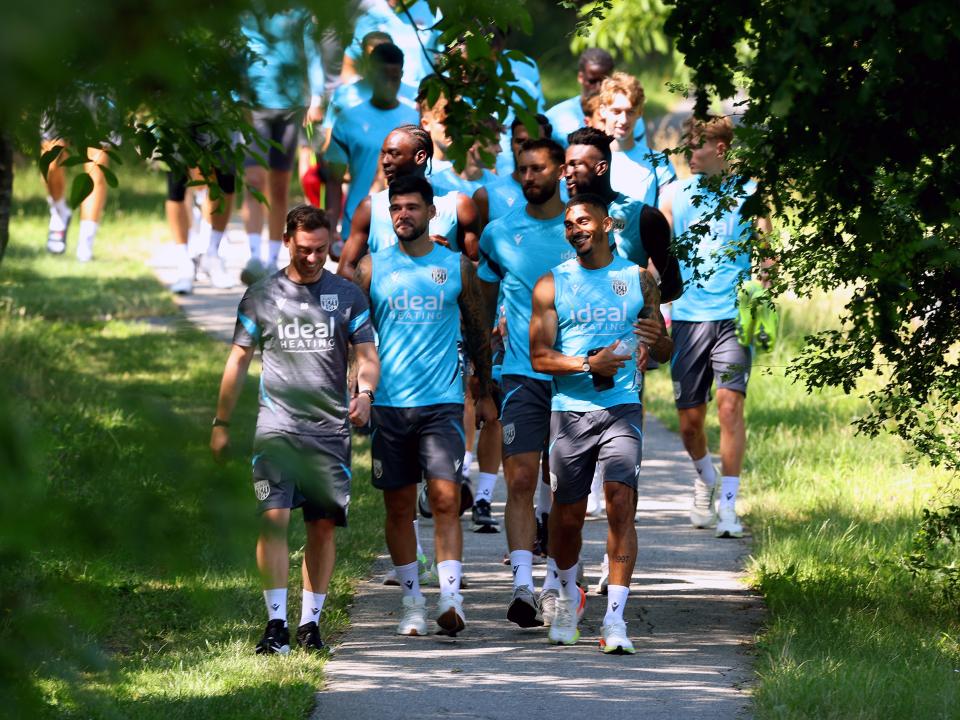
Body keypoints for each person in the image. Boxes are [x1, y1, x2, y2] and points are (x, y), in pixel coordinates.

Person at [210, 204, 380, 654]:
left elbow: (366, 356)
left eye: (322, 249)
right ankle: (275, 625)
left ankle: (310, 624)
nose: (313, 258)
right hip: (276, 429)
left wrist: (364, 396)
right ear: (287, 240)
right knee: (273, 521)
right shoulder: (261, 295)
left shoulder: (347, 296)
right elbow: (238, 359)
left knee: (322, 527)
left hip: (329, 432)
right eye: (305, 249)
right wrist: (221, 422)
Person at [352, 175, 496, 636]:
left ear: (432, 212)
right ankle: (412, 600)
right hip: (390, 405)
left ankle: (451, 599)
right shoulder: (371, 268)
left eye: (413, 207)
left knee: (445, 499)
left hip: (442, 402)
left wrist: (485, 389)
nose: (403, 215)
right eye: (396, 208)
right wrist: (355, 393)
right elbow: (356, 341)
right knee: (398, 509)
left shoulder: (456, 266)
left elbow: (477, 330)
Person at [529, 193, 672, 652]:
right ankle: (569, 597)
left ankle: (616, 620)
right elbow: (539, 357)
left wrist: (657, 340)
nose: (576, 230)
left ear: (608, 225)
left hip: (623, 409)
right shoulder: (552, 284)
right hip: (569, 412)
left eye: (584, 221)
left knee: (619, 506)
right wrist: (590, 365)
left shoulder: (637, 279)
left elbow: (665, 350)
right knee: (567, 520)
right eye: (570, 225)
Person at [477, 138, 576, 628]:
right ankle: (521, 586)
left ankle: (558, 583)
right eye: (522, 169)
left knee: (562, 486)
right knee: (518, 477)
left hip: (572, 375)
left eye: (538, 168)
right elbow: (483, 297)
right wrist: (482, 371)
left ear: (560, 170)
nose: (529, 177)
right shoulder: (499, 233)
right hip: (519, 372)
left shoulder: (580, 227)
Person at [658, 115, 772, 538]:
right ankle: (704, 478)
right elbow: (658, 257)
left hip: (733, 318)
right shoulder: (674, 196)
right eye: (687, 141)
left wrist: (762, 296)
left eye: (697, 142)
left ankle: (728, 505)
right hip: (688, 318)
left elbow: (766, 257)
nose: (689, 149)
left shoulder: (752, 195)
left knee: (729, 406)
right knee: (690, 420)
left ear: (721, 148)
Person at [239, 9, 326, 284]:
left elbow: (312, 51)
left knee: (279, 185)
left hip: (290, 105)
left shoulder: (298, 8)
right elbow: (235, 52)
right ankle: (253, 256)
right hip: (254, 103)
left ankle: (271, 258)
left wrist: (317, 95)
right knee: (253, 180)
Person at [336, 124, 480, 280]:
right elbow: (345, 269)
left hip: (441, 301)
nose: (384, 161)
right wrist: (384, 286)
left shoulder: (458, 205)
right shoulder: (370, 207)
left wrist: (449, 259)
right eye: (383, 154)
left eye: (394, 154)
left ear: (420, 157)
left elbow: (480, 267)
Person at [564, 127, 680, 301]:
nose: (567, 174)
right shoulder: (558, 217)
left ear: (601, 168)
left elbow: (673, 285)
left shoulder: (643, 217)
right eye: (566, 166)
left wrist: (638, 308)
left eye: (575, 165)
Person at [324, 43, 419, 243]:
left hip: (405, 227)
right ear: (370, 73)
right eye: (383, 76)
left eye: (395, 77)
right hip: (357, 226)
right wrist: (331, 230)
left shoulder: (415, 119)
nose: (388, 83)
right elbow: (334, 178)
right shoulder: (348, 119)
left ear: (401, 75)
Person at [595, 72, 677, 207]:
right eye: (616, 112)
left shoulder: (659, 163)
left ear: (640, 112)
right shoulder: (589, 160)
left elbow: (667, 219)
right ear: (603, 111)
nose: (623, 120)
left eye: (630, 112)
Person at [473, 113, 557, 227]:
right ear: (511, 143)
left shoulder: (567, 192)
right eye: (520, 141)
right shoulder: (486, 196)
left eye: (535, 141)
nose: (527, 147)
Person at [544, 49, 614, 147]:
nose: (599, 87)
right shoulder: (554, 118)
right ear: (581, 77)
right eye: (592, 81)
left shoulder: (627, 116)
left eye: (604, 81)